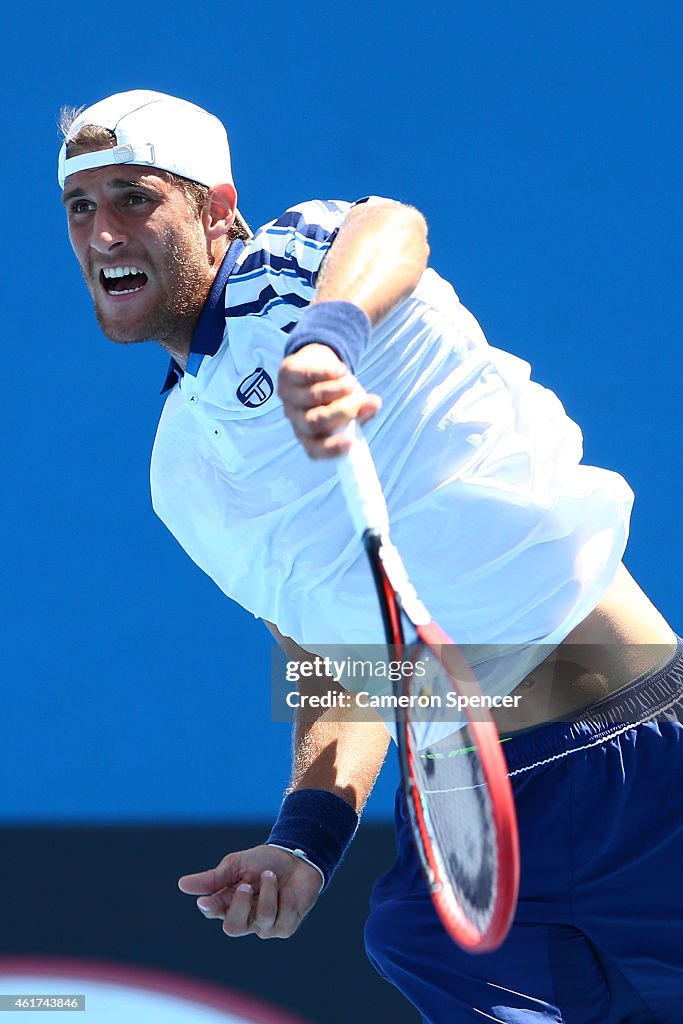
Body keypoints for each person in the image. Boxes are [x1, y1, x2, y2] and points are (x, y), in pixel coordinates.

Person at [58, 90, 682, 1023]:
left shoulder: (305, 261)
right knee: (408, 933)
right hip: (469, 835)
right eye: (80, 207)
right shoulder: (180, 474)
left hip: (640, 766)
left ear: (218, 208)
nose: (105, 230)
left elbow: (391, 222)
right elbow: (339, 663)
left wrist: (328, 335)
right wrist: (306, 837)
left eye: (135, 197)